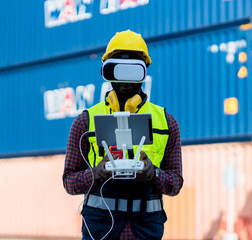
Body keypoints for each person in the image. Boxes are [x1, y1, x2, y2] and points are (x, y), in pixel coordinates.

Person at [63, 30, 183, 240]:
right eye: (119, 70)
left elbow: (175, 184)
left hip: (145, 232)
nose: (125, 80)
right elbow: (69, 182)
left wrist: (152, 173)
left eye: (133, 71)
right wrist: (96, 173)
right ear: (107, 72)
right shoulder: (84, 122)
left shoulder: (167, 123)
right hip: (100, 231)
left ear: (144, 72)